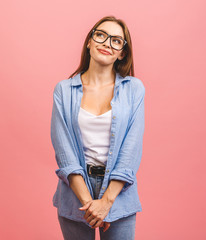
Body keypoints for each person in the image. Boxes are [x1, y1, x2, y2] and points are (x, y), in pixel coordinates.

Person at [50, 15, 145, 240]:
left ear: (122, 52)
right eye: (101, 35)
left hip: (119, 192)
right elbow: (64, 152)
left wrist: (106, 201)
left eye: (116, 40)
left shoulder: (134, 89)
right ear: (89, 41)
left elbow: (131, 149)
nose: (107, 43)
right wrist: (90, 205)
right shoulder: (63, 90)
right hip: (75, 192)